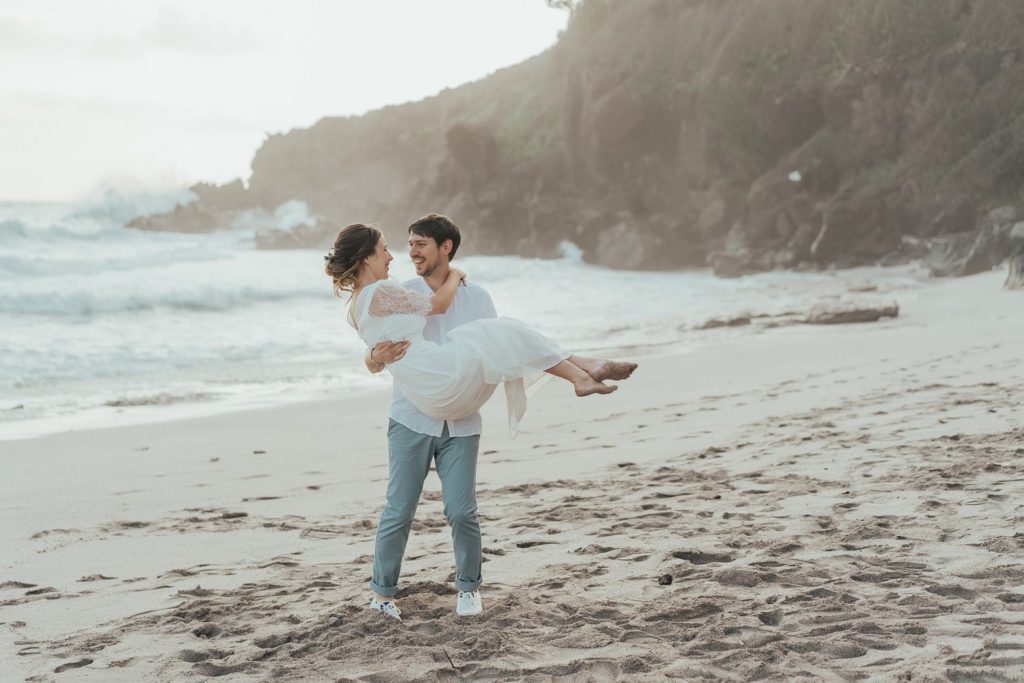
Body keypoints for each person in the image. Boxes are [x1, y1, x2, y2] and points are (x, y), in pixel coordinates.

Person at [323, 216, 637, 621]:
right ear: (366, 257)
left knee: (462, 511)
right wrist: (373, 356)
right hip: (417, 408)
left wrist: (377, 351)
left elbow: (379, 330)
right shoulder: (394, 290)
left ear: (445, 247)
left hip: (460, 410)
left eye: (419, 244)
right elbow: (396, 334)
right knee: (398, 510)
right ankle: (382, 596)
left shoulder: (474, 298)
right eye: (391, 247)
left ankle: (469, 589)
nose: (401, 254)